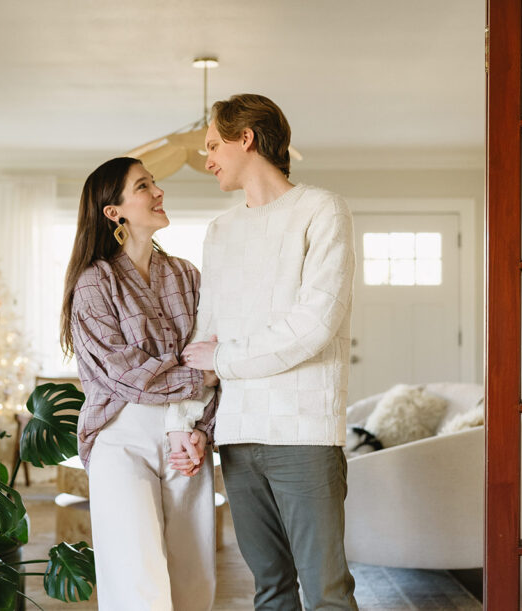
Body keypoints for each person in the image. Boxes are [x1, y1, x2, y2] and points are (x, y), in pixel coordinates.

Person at [176, 94, 358, 610]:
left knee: (327, 592)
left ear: (246, 139)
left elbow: (313, 326)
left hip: (303, 434)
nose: (207, 159)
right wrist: (189, 421)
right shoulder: (221, 230)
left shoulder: (322, 209)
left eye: (213, 144)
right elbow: (201, 342)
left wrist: (224, 358)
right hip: (236, 436)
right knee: (270, 589)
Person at [61, 156, 219, 610]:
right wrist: (201, 374)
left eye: (154, 183)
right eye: (144, 186)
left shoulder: (187, 276)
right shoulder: (94, 284)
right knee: (137, 580)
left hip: (185, 434)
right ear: (115, 213)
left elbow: (211, 350)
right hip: (120, 438)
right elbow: (125, 373)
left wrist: (197, 430)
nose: (158, 192)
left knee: (193, 577)